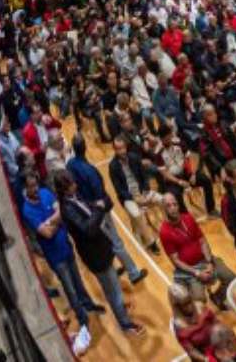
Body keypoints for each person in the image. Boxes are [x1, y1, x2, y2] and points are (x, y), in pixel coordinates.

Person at [53, 170, 146, 336]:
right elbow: (88, 229)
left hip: (101, 248)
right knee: (114, 290)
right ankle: (125, 324)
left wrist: (96, 205)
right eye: (72, 183)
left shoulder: (74, 197)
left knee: (113, 287)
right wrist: (99, 209)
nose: (76, 184)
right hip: (95, 255)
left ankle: (120, 311)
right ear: (64, 189)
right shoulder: (67, 209)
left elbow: (89, 209)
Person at [19, 171, 101, 352]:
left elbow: (61, 213)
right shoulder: (27, 210)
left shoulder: (46, 193)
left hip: (66, 246)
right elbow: (46, 233)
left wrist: (50, 221)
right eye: (30, 186)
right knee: (70, 289)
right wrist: (56, 219)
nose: (35, 189)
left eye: (35, 184)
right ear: (25, 188)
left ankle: (89, 304)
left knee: (78, 282)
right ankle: (83, 319)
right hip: (55, 256)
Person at [65, 135, 149, 285]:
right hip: (99, 212)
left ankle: (114, 267)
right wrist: (106, 204)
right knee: (116, 242)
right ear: (85, 148)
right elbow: (100, 194)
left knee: (105, 240)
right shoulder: (90, 171)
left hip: (85, 210)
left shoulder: (70, 164)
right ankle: (133, 273)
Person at [159, 193, 236, 306]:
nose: (173, 208)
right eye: (168, 206)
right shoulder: (164, 232)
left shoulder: (188, 218)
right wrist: (197, 273)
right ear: (163, 209)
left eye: (174, 204)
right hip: (190, 270)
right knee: (199, 300)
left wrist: (209, 262)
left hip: (205, 260)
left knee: (231, 278)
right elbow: (175, 260)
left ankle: (218, 297)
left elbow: (203, 241)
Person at [107, 135, 163, 253]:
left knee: (162, 199)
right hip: (128, 198)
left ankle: (170, 227)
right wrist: (135, 198)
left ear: (126, 147)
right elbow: (119, 190)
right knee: (137, 215)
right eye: (117, 149)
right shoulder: (113, 166)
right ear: (114, 150)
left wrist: (144, 191)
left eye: (122, 148)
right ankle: (151, 242)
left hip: (142, 192)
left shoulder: (134, 157)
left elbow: (144, 177)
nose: (121, 151)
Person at [170, 281, 221, 362]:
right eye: (185, 305)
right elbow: (191, 351)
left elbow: (217, 322)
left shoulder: (200, 306)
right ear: (177, 307)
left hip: (218, 343)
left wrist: (225, 340)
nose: (189, 307)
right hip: (203, 355)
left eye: (189, 301)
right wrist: (207, 359)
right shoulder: (179, 326)